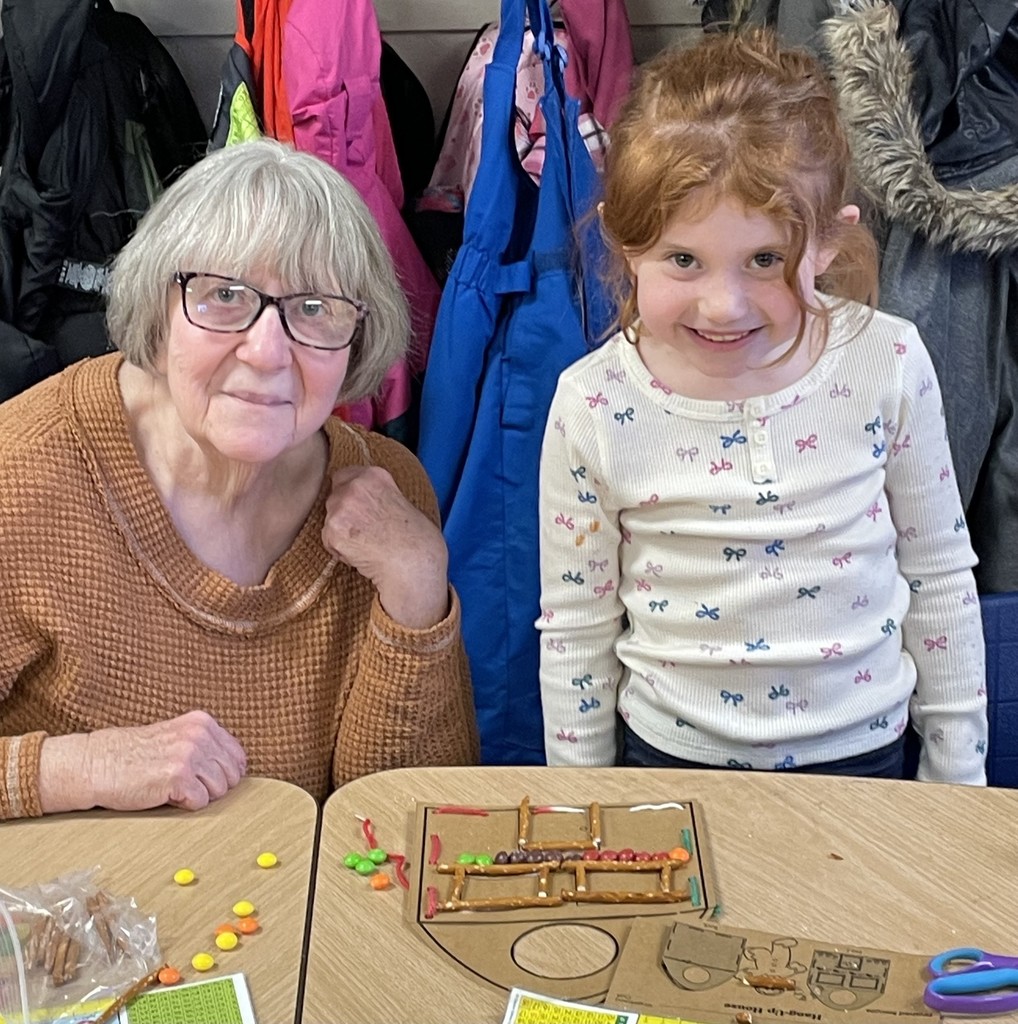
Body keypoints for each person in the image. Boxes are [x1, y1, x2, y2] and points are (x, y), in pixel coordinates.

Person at [537, 30, 988, 783]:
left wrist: (958, 778)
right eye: (684, 260)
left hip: (866, 759)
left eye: (766, 261)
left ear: (828, 245)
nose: (724, 305)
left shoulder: (890, 360)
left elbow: (939, 576)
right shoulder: (591, 402)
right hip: (670, 763)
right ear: (626, 242)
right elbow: (577, 625)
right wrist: (585, 798)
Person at [0, 138, 479, 821]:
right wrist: (77, 767)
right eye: (224, 296)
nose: (267, 351)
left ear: (357, 341)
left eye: (315, 310)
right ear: (158, 312)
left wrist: (417, 583)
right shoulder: (22, 471)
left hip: (282, 916)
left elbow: (410, 820)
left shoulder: (388, 489)